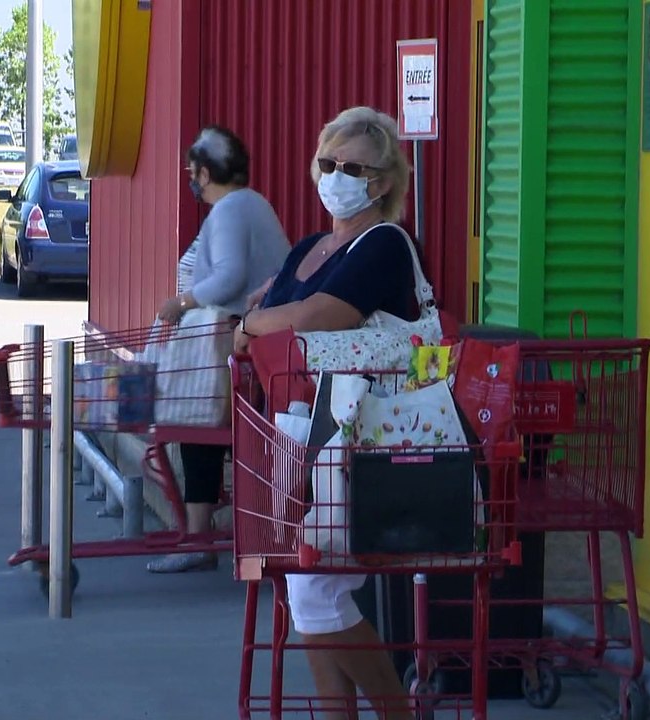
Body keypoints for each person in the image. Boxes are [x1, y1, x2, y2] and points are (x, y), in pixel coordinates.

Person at [235, 106, 418, 719]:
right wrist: (261, 320)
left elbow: (319, 317)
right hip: (296, 436)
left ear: (383, 182)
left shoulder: (384, 245)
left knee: (317, 591)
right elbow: (279, 309)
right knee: (304, 586)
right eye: (328, 163)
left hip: (358, 439)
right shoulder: (310, 248)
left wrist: (253, 323)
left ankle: (397, 713)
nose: (336, 177)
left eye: (354, 168)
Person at [146, 126, 291, 574]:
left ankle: (197, 537)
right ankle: (202, 534)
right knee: (208, 438)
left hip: (233, 349)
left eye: (192, 172)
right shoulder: (253, 204)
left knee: (197, 430)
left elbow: (229, 277)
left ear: (205, 173)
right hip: (254, 349)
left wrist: (182, 302)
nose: (192, 180)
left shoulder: (229, 210)